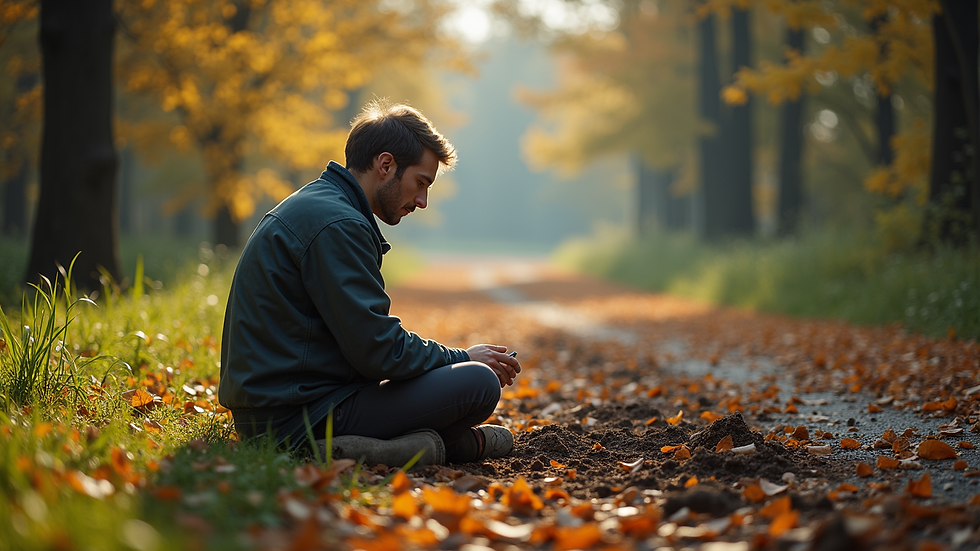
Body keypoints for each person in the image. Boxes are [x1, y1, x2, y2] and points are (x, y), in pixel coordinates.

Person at [218, 99, 522, 466]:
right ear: (385, 165)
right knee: (478, 383)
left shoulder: (323, 206)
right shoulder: (338, 224)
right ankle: (429, 446)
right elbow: (380, 351)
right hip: (294, 418)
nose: (422, 201)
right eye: (420, 183)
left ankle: (428, 445)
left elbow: (366, 348)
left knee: (461, 381)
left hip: (287, 406)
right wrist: (463, 357)